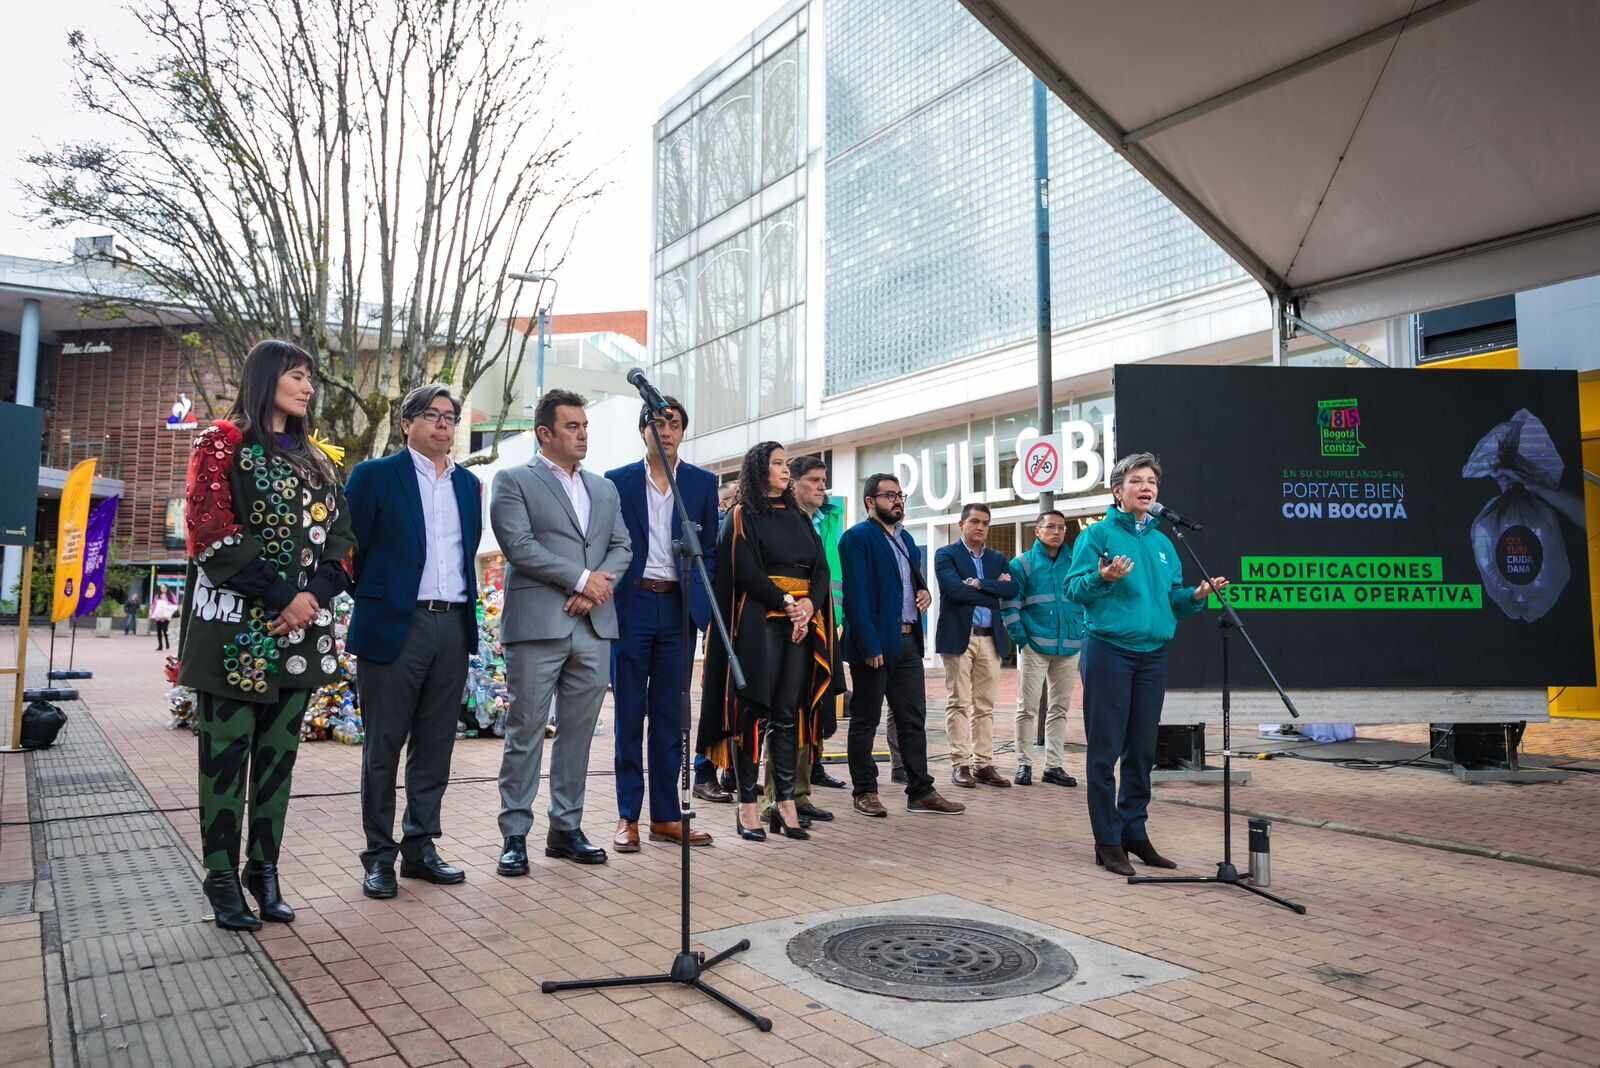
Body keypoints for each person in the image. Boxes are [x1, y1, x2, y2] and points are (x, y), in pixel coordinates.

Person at [177, 339, 355, 930]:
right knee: (226, 761)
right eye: (297, 376)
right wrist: (285, 597)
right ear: (266, 378)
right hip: (237, 631)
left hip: (299, 638)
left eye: (310, 379)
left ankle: (264, 869)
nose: (307, 388)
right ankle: (221, 875)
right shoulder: (223, 442)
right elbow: (210, 532)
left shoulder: (320, 459)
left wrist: (313, 598)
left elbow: (342, 543)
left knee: (278, 761)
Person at [345, 385, 483, 900]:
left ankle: (420, 847)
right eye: (432, 415)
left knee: (436, 746)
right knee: (383, 747)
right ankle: (379, 857)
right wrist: (380, 597)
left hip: (452, 626)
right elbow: (349, 548)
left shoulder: (469, 486)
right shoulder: (375, 476)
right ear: (407, 423)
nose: (443, 425)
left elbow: (465, 551)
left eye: (450, 417)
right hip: (394, 625)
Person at [1066, 452, 1229, 876]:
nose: (1146, 487)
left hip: (1152, 656)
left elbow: (1170, 602)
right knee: (1105, 751)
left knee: (1140, 751)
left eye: (1152, 481)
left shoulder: (1163, 543)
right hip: (1109, 651)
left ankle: (1134, 833)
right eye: (1137, 480)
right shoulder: (1097, 536)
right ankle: (1107, 841)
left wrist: (1194, 597)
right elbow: (1074, 591)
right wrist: (1104, 578)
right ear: (1117, 490)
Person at [491, 389, 631, 870]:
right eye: (572, 427)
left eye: (585, 426)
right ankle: (514, 835)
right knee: (526, 732)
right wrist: (580, 580)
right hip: (537, 626)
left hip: (593, 628)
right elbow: (519, 546)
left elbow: (622, 547)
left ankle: (565, 828)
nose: (583, 434)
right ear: (544, 433)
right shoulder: (512, 480)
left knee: (579, 734)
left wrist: (594, 588)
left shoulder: (605, 488)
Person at [697, 442, 836, 843]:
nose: (784, 470)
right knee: (752, 714)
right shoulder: (742, 515)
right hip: (759, 624)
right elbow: (743, 569)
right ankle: (747, 804)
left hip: (799, 624)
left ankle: (786, 802)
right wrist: (788, 604)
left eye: (785, 464)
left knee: (787, 714)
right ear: (759, 469)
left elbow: (821, 569)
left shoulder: (799, 518)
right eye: (777, 463)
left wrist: (809, 606)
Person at [603, 397, 718, 853]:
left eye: (674, 424)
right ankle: (627, 816)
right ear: (643, 431)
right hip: (631, 607)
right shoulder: (617, 483)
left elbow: (709, 550)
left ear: (683, 432)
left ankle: (666, 816)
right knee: (629, 714)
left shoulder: (702, 483)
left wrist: (705, 611)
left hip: (677, 610)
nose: (665, 430)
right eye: (657, 423)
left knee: (670, 718)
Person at [839, 474, 965, 818]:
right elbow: (856, 597)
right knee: (866, 718)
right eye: (889, 495)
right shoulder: (856, 538)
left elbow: (909, 581)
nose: (897, 501)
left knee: (912, 718)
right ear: (870, 502)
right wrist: (869, 644)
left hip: (908, 641)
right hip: (875, 643)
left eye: (900, 495)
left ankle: (920, 790)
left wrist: (922, 591)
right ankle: (864, 790)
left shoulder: (906, 538)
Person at [759, 455, 842, 827]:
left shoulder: (822, 521)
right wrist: (795, 608)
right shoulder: (776, 518)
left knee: (809, 709)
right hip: (783, 626)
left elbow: (823, 573)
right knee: (784, 712)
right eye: (814, 480)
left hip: (820, 625)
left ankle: (800, 794)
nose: (822, 487)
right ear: (793, 483)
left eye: (824, 480)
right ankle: (774, 798)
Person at [1001, 510, 1085, 786]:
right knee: (1027, 709)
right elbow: (1010, 605)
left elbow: (1085, 598)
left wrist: (1081, 632)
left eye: (1061, 527)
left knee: (1059, 708)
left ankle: (1053, 766)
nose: (1057, 531)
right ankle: (1024, 764)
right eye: (1050, 527)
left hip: (1070, 646)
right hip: (1035, 645)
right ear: (1037, 531)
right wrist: (1021, 640)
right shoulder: (1022, 564)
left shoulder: (1075, 561)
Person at [934, 502, 1015, 789]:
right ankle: (960, 764)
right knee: (958, 701)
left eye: (985, 523)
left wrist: (979, 584)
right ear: (962, 525)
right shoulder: (946, 554)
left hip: (990, 638)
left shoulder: (997, 558)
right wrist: (993, 587)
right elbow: (953, 591)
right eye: (975, 522)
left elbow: (1012, 589)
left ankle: (983, 763)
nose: (980, 527)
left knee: (985, 705)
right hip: (959, 636)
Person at [693, 482, 742, 804]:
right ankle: (704, 772)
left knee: (742, 704)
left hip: (747, 623)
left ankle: (733, 771)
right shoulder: (723, 526)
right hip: (724, 622)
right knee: (718, 699)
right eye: (730, 499)